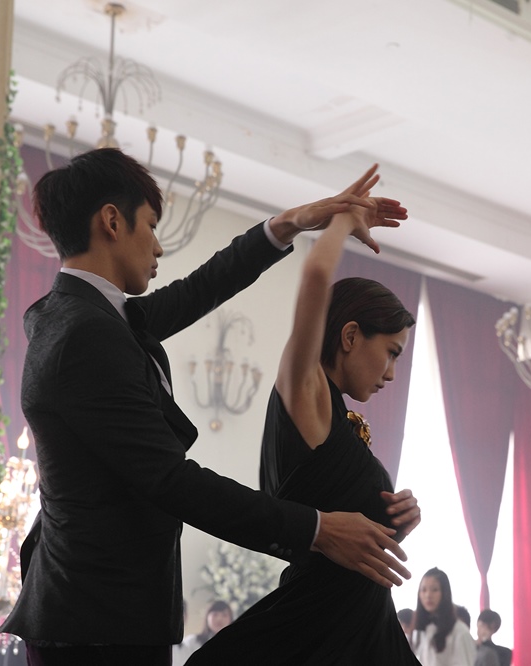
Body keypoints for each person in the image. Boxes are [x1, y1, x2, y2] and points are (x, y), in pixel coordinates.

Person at [0, 148, 419, 665]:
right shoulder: (84, 333)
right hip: (95, 618)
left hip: (110, 611)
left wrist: (293, 222)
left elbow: (202, 287)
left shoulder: (102, 320)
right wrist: (317, 529)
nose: (158, 245)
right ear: (112, 221)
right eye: (151, 226)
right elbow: (171, 481)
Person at [186, 186, 421, 664]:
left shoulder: (338, 421)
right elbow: (315, 274)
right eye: (391, 353)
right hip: (322, 633)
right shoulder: (308, 394)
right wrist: (344, 221)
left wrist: (397, 521)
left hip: (360, 631)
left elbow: (348, 541)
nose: (393, 373)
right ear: (351, 335)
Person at [412, 568, 476, 666]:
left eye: (434, 590)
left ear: (445, 593)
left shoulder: (459, 631)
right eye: (423, 590)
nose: (428, 595)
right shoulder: (422, 630)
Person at [172, 600, 232, 665]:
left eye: (224, 615)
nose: (219, 619)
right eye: (215, 614)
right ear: (207, 617)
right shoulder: (192, 642)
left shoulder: (234, 644)